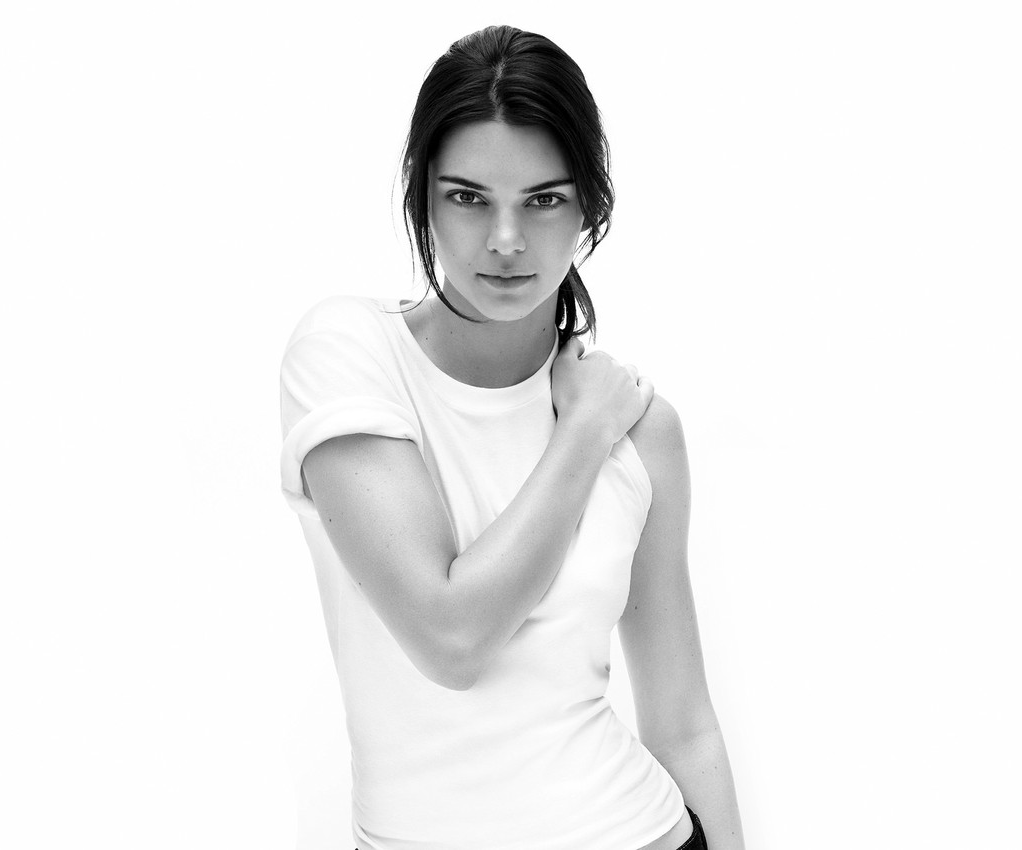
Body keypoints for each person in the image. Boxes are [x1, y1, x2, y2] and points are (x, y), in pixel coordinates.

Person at [279, 25, 744, 850]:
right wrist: (583, 431)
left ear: (588, 205)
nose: (505, 240)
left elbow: (682, 721)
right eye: (468, 198)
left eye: (543, 199)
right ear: (423, 197)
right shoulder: (350, 357)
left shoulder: (646, 434)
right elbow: (451, 637)